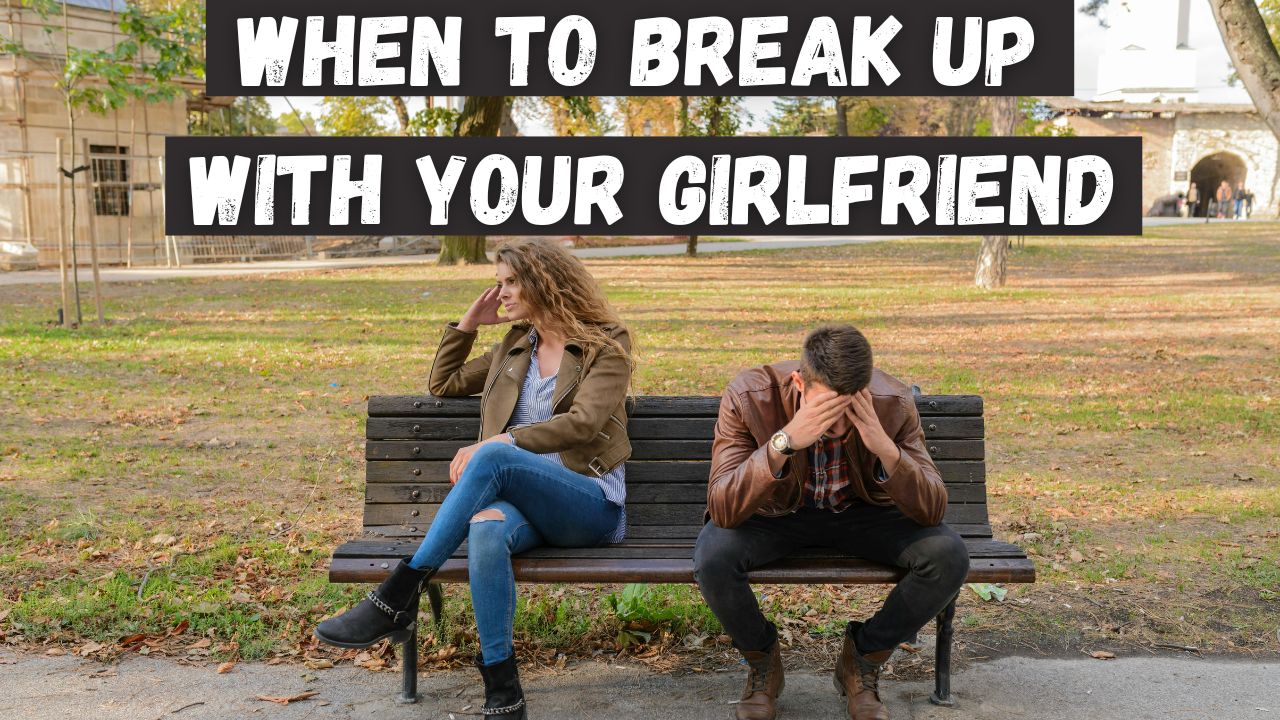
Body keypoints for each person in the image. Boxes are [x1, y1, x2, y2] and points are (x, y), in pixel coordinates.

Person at [315, 239, 634, 719]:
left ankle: (399, 590)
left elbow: (585, 424)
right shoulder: (514, 345)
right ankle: (503, 688)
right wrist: (467, 325)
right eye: (499, 282)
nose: (500, 292)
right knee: (485, 527)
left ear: (543, 281)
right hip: (523, 503)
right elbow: (444, 383)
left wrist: (500, 443)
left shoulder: (604, 343)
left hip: (588, 502)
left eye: (510, 281)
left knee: (493, 457)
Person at [694, 326, 967, 720]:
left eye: (848, 411)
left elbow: (932, 510)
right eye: (825, 410)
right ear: (799, 383)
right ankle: (762, 661)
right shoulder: (749, 395)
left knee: (947, 555)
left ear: (866, 391)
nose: (836, 427)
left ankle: (863, 658)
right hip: (778, 515)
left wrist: (883, 446)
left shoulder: (892, 401)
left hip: (861, 514)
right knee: (713, 555)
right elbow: (723, 508)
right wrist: (783, 442)